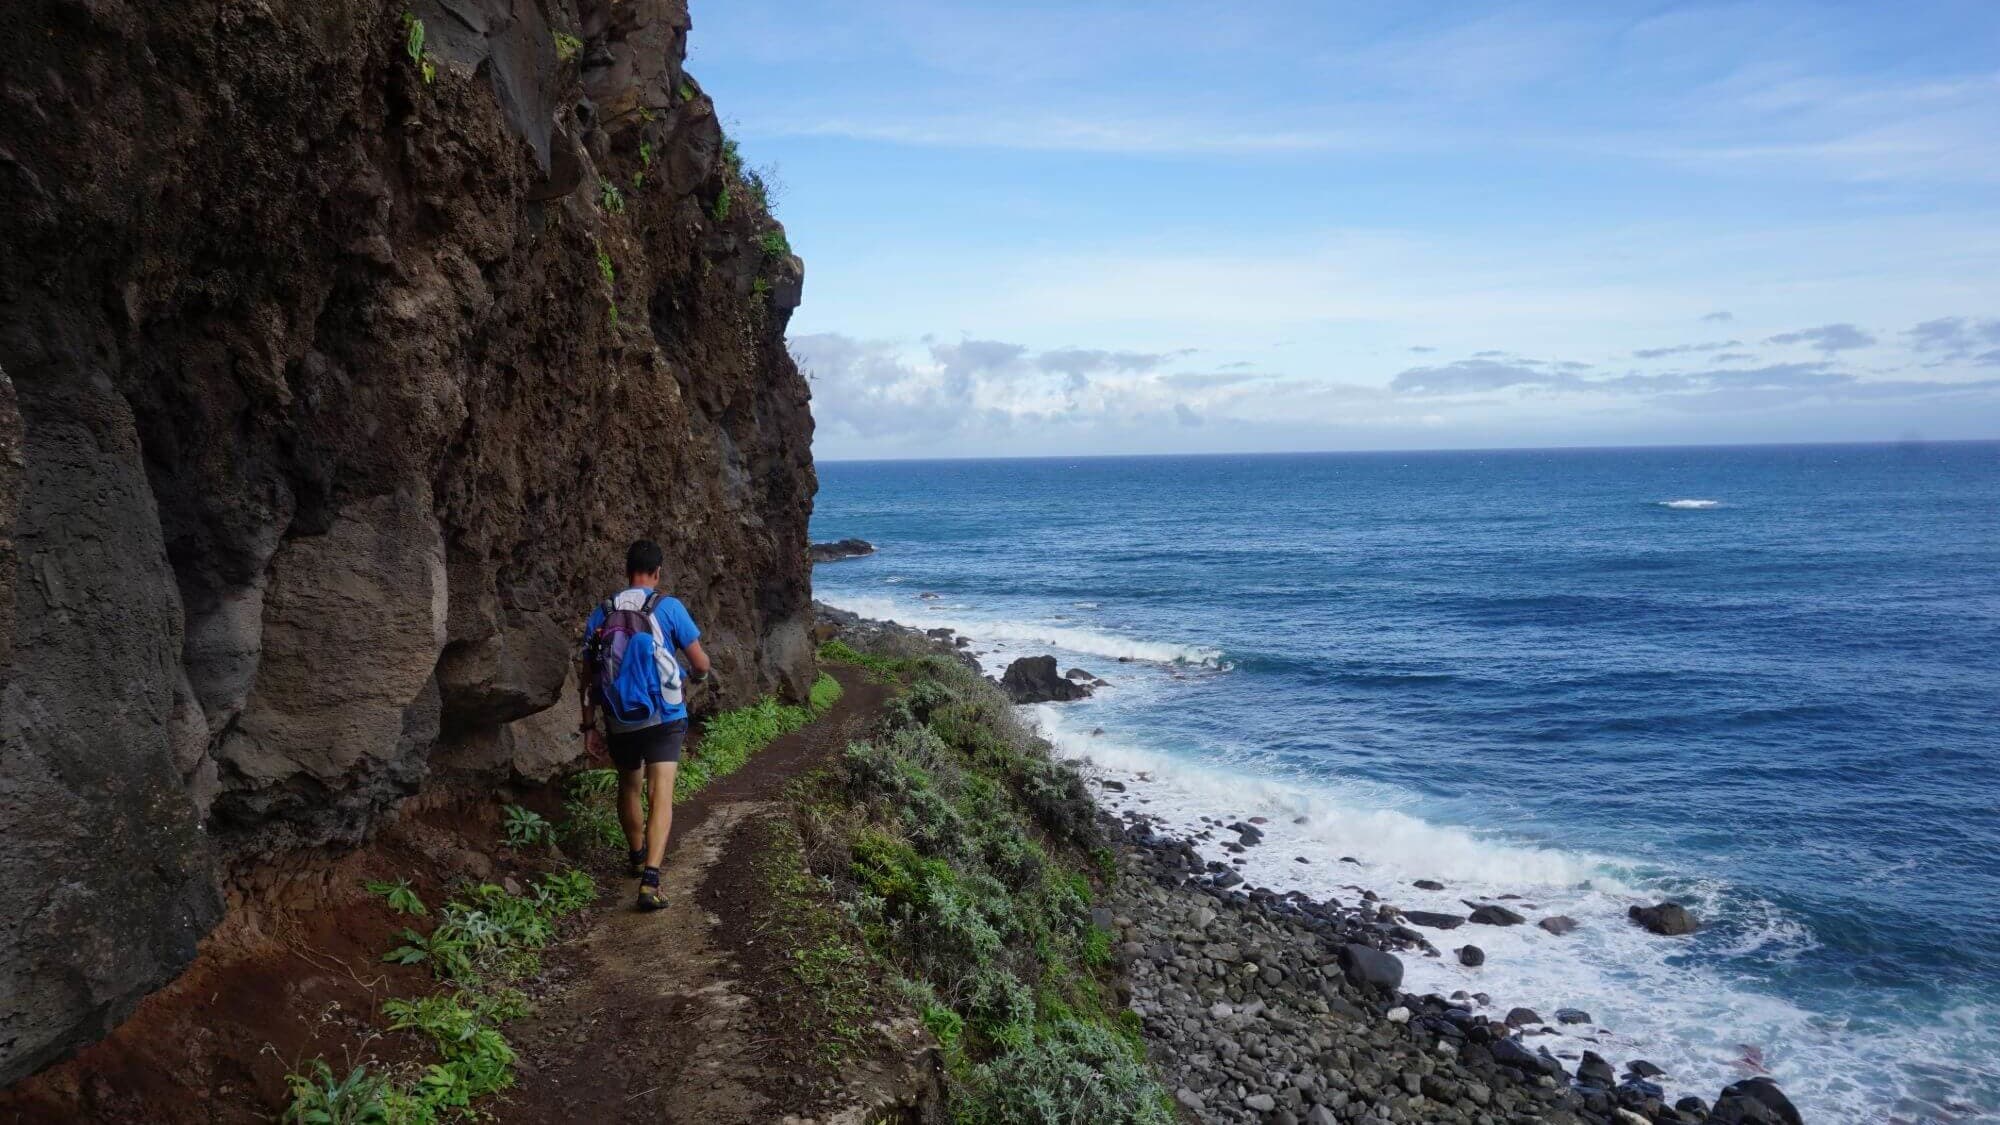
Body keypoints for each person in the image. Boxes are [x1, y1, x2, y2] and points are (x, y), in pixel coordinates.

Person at [577, 539, 710, 911]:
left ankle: (636, 856)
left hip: (619, 717)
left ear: (626, 571)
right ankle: (651, 881)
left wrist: (589, 727)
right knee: (660, 793)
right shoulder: (668, 607)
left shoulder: (602, 612)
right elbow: (700, 663)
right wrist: (694, 679)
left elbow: (587, 678)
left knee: (630, 786)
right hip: (664, 715)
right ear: (658, 572)